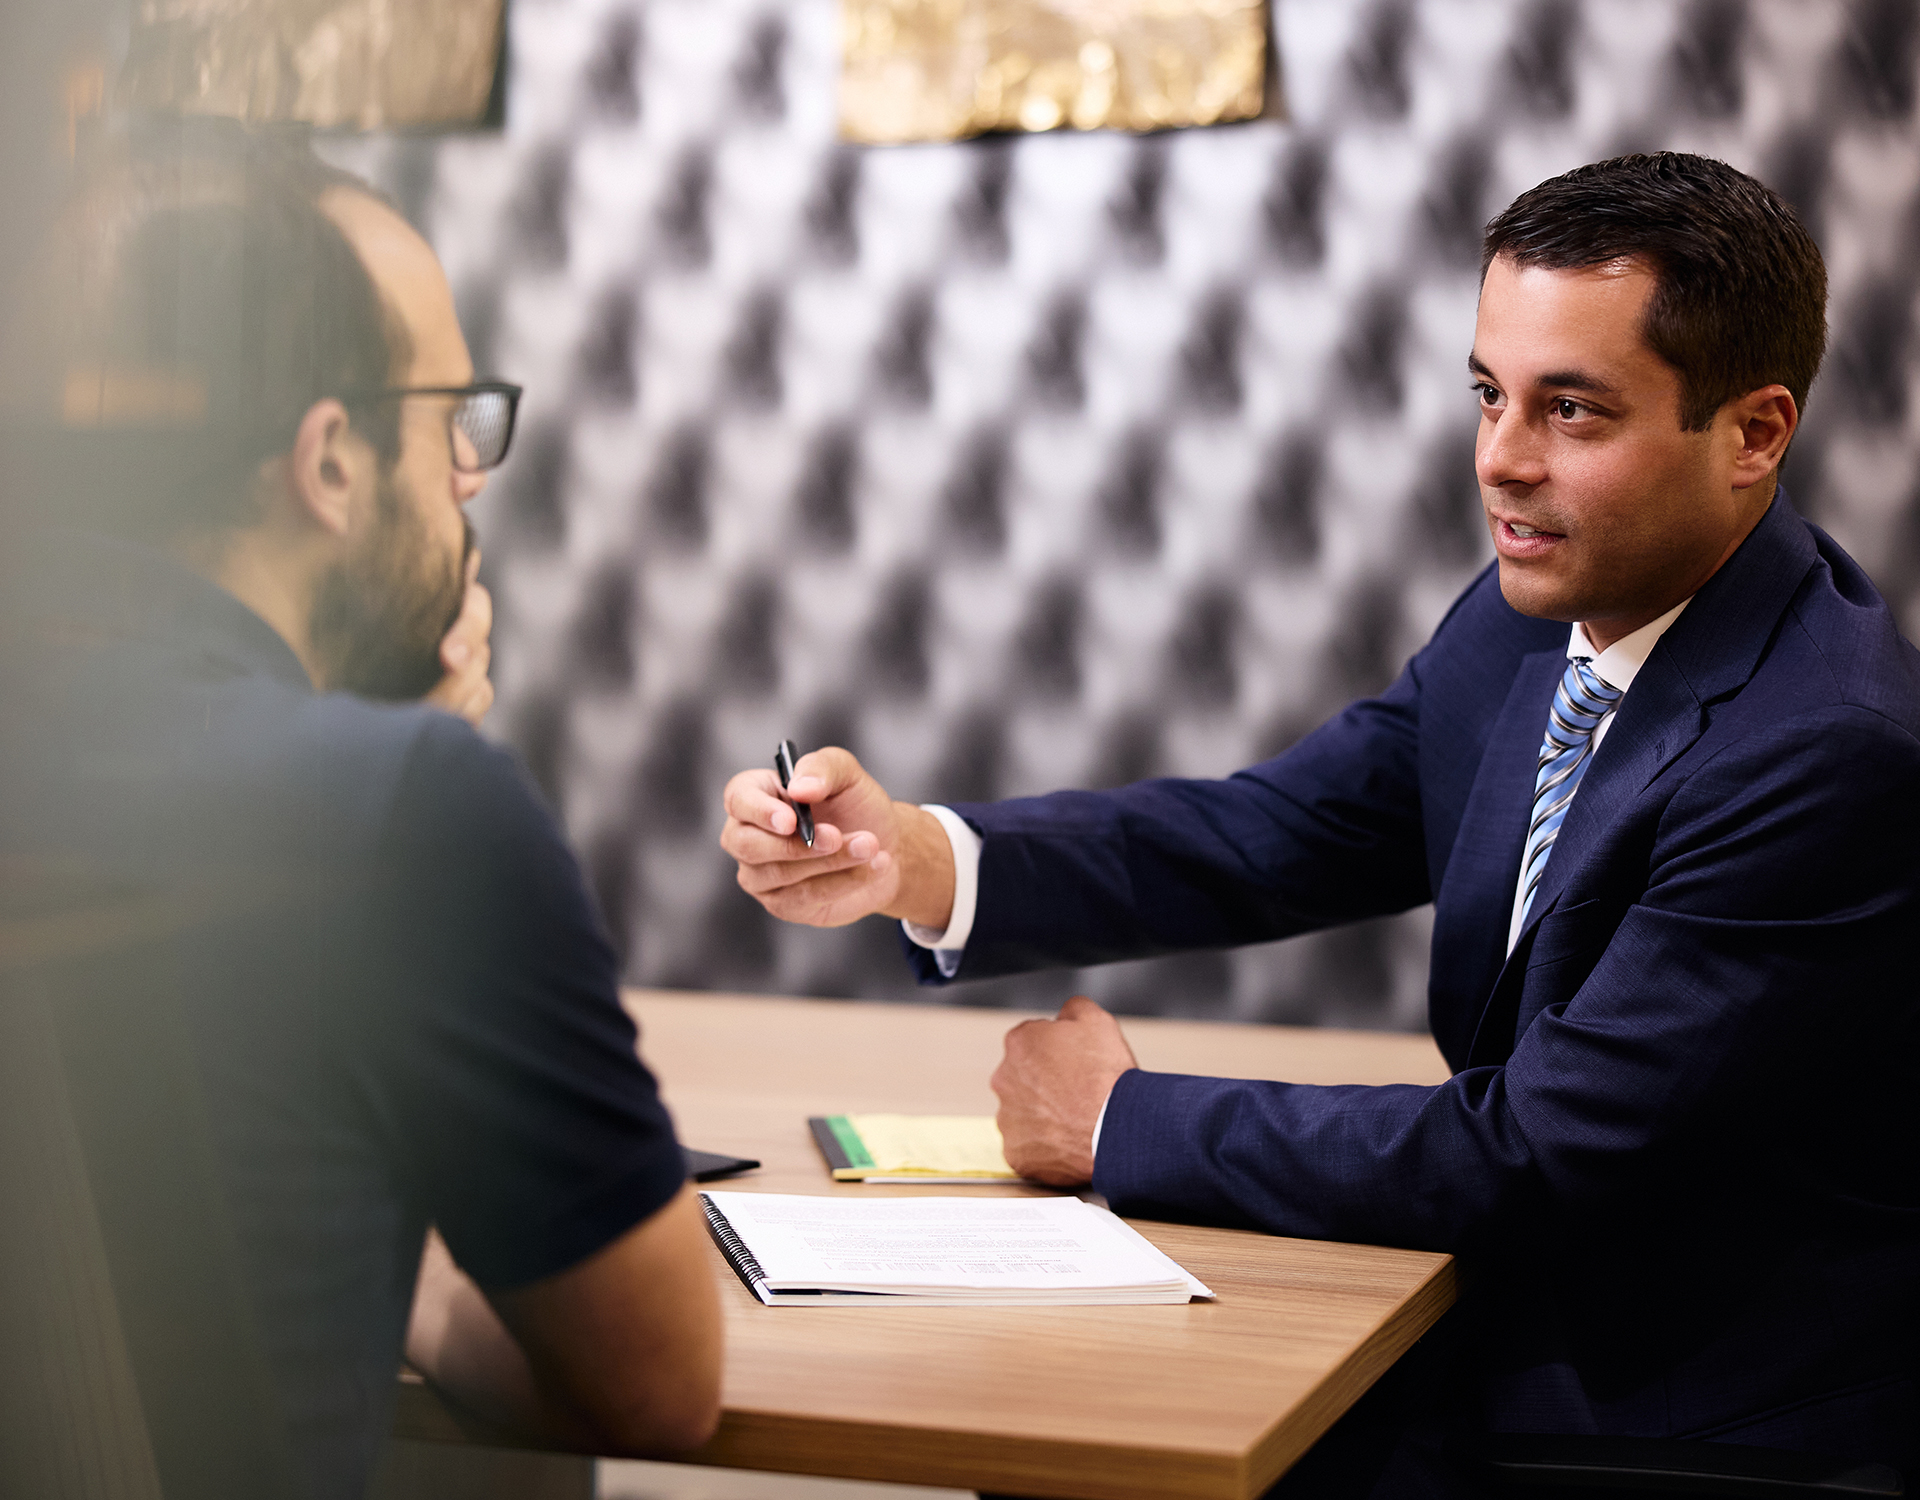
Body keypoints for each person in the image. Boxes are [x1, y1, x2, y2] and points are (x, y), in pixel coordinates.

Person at [722, 152, 1920, 1483]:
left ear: (1755, 432)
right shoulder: (1540, 616)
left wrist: (1122, 1123)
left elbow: (1535, 1152)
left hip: (1677, 1429)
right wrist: (915, 857)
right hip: (1512, 1334)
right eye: (1489, 395)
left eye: (1572, 412)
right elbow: (1278, 834)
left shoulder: (1826, 751)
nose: (1501, 464)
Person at [1, 122, 720, 1499]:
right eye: (446, 414)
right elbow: (660, 1385)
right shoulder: (401, 817)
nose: (470, 475)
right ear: (328, 461)